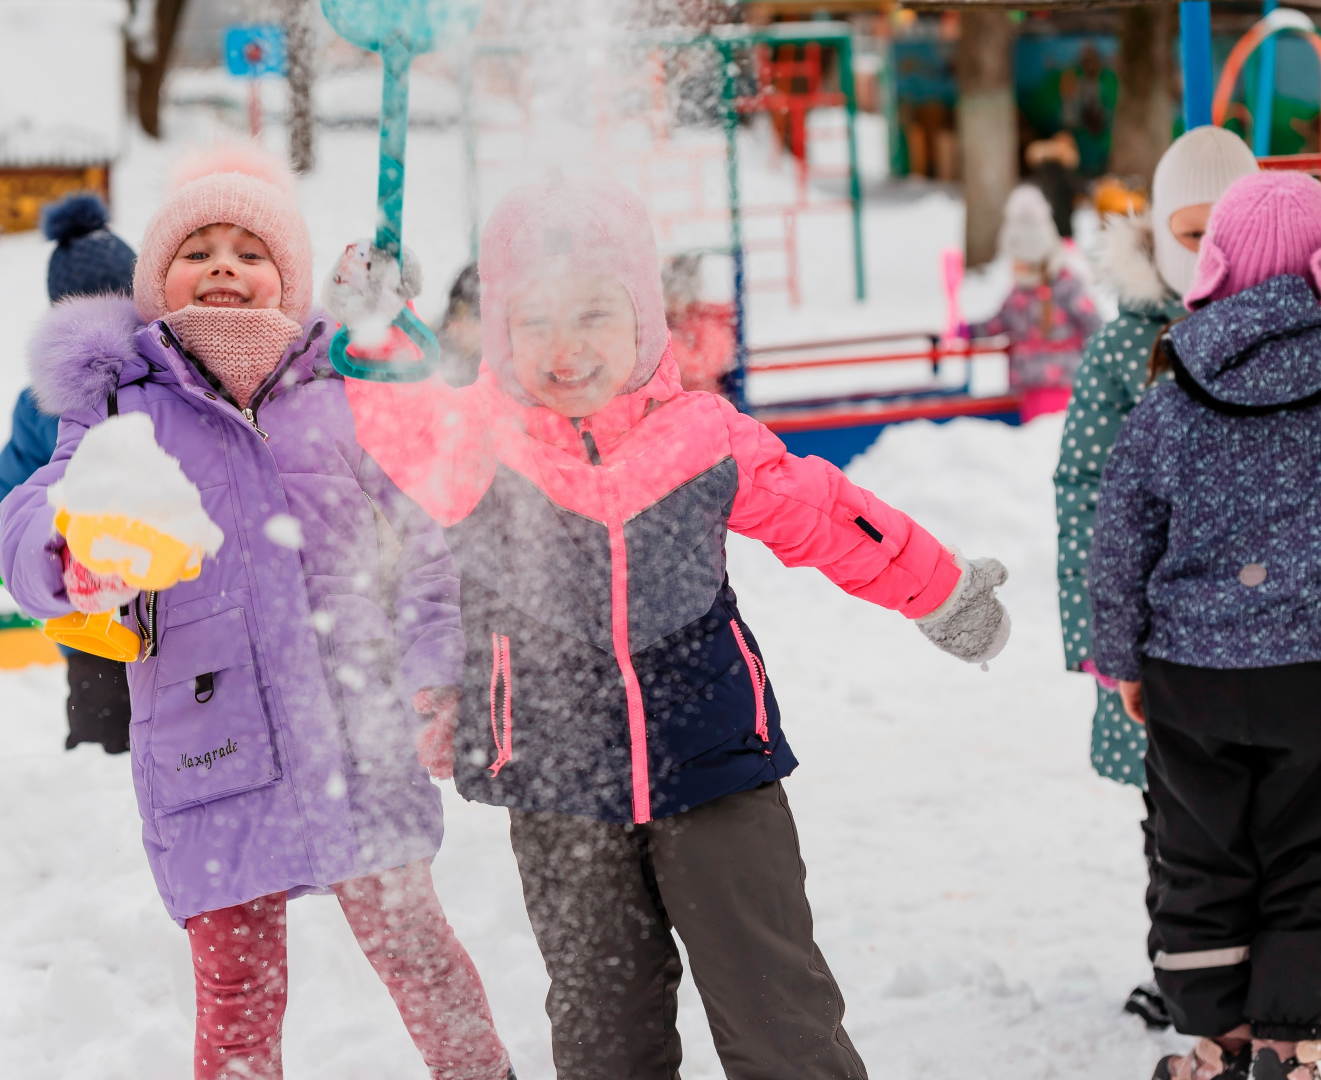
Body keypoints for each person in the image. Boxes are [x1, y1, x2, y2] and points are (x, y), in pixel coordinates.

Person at [326, 178, 1011, 1080]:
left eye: (595, 315)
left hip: (716, 764)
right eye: (533, 323)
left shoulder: (703, 438)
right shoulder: (478, 446)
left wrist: (941, 591)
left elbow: (832, 516)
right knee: (606, 1031)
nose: (566, 349)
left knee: (777, 1008)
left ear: (645, 318)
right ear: (498, 335)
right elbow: (401, 417)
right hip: (559, 783)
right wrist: (376, 328)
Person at [0, 146, 512, 1080]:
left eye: (249, 249)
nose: (225, 266)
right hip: (211, 746)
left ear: (290, 280)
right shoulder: (122, 409)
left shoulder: (340, 400)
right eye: (197, 250)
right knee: (237, 996)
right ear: (156, 282)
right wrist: (69, 556)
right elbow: (36, 509)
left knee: (419, 955)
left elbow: (421, 559)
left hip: (358, 737)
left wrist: (436, 676)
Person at [1089, 170, 1321, 1080]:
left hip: (1193, 671)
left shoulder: (1171, 394)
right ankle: (1289, 1037)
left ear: (1211, 263)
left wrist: (1122, 660)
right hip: (1310, 667)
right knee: (1307, 852)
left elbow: (1121, 535)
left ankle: (1215, 1031)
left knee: (1199, 850)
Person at [1053, 127, 1258, 1027]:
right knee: (1179, 821)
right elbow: (1086, 497)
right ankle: (1188, 971)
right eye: (1188, 230)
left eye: (1228, 228)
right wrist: (1104, 643)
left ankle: (1281, 968)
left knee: (1283, 811)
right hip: (1168, 637)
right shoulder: (1128, 348)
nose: (1209, 251)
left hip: (1279, 629)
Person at [0, 192, 138, 755]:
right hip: (91, 621)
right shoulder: (44, 405)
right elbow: (8, 498)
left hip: (160, 607)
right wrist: (38, 559)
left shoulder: (166, 379)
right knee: (103, 743)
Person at [968, 184, 1103, 422]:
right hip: (1025, 388)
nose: (1014, 268)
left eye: (1020, 263)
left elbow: (1094, 325)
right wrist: (968, 330)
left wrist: (1096, 369)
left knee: (1052, 440)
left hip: (1063, 386)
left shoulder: (1067, 286)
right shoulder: (1018, 294)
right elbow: (999, 323)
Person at [661, 253, 736, 395]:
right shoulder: (675, 324)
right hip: (679, 402)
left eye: (672, 297)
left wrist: (666, 341)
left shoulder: (706, 325)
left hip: (701, 403)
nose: (667, 305)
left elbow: (699, 369)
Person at [437, 262, 482, 387]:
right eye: (454, 315)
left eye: (471, 317)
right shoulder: (436, 357)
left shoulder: (508, 377)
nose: (455, 328)